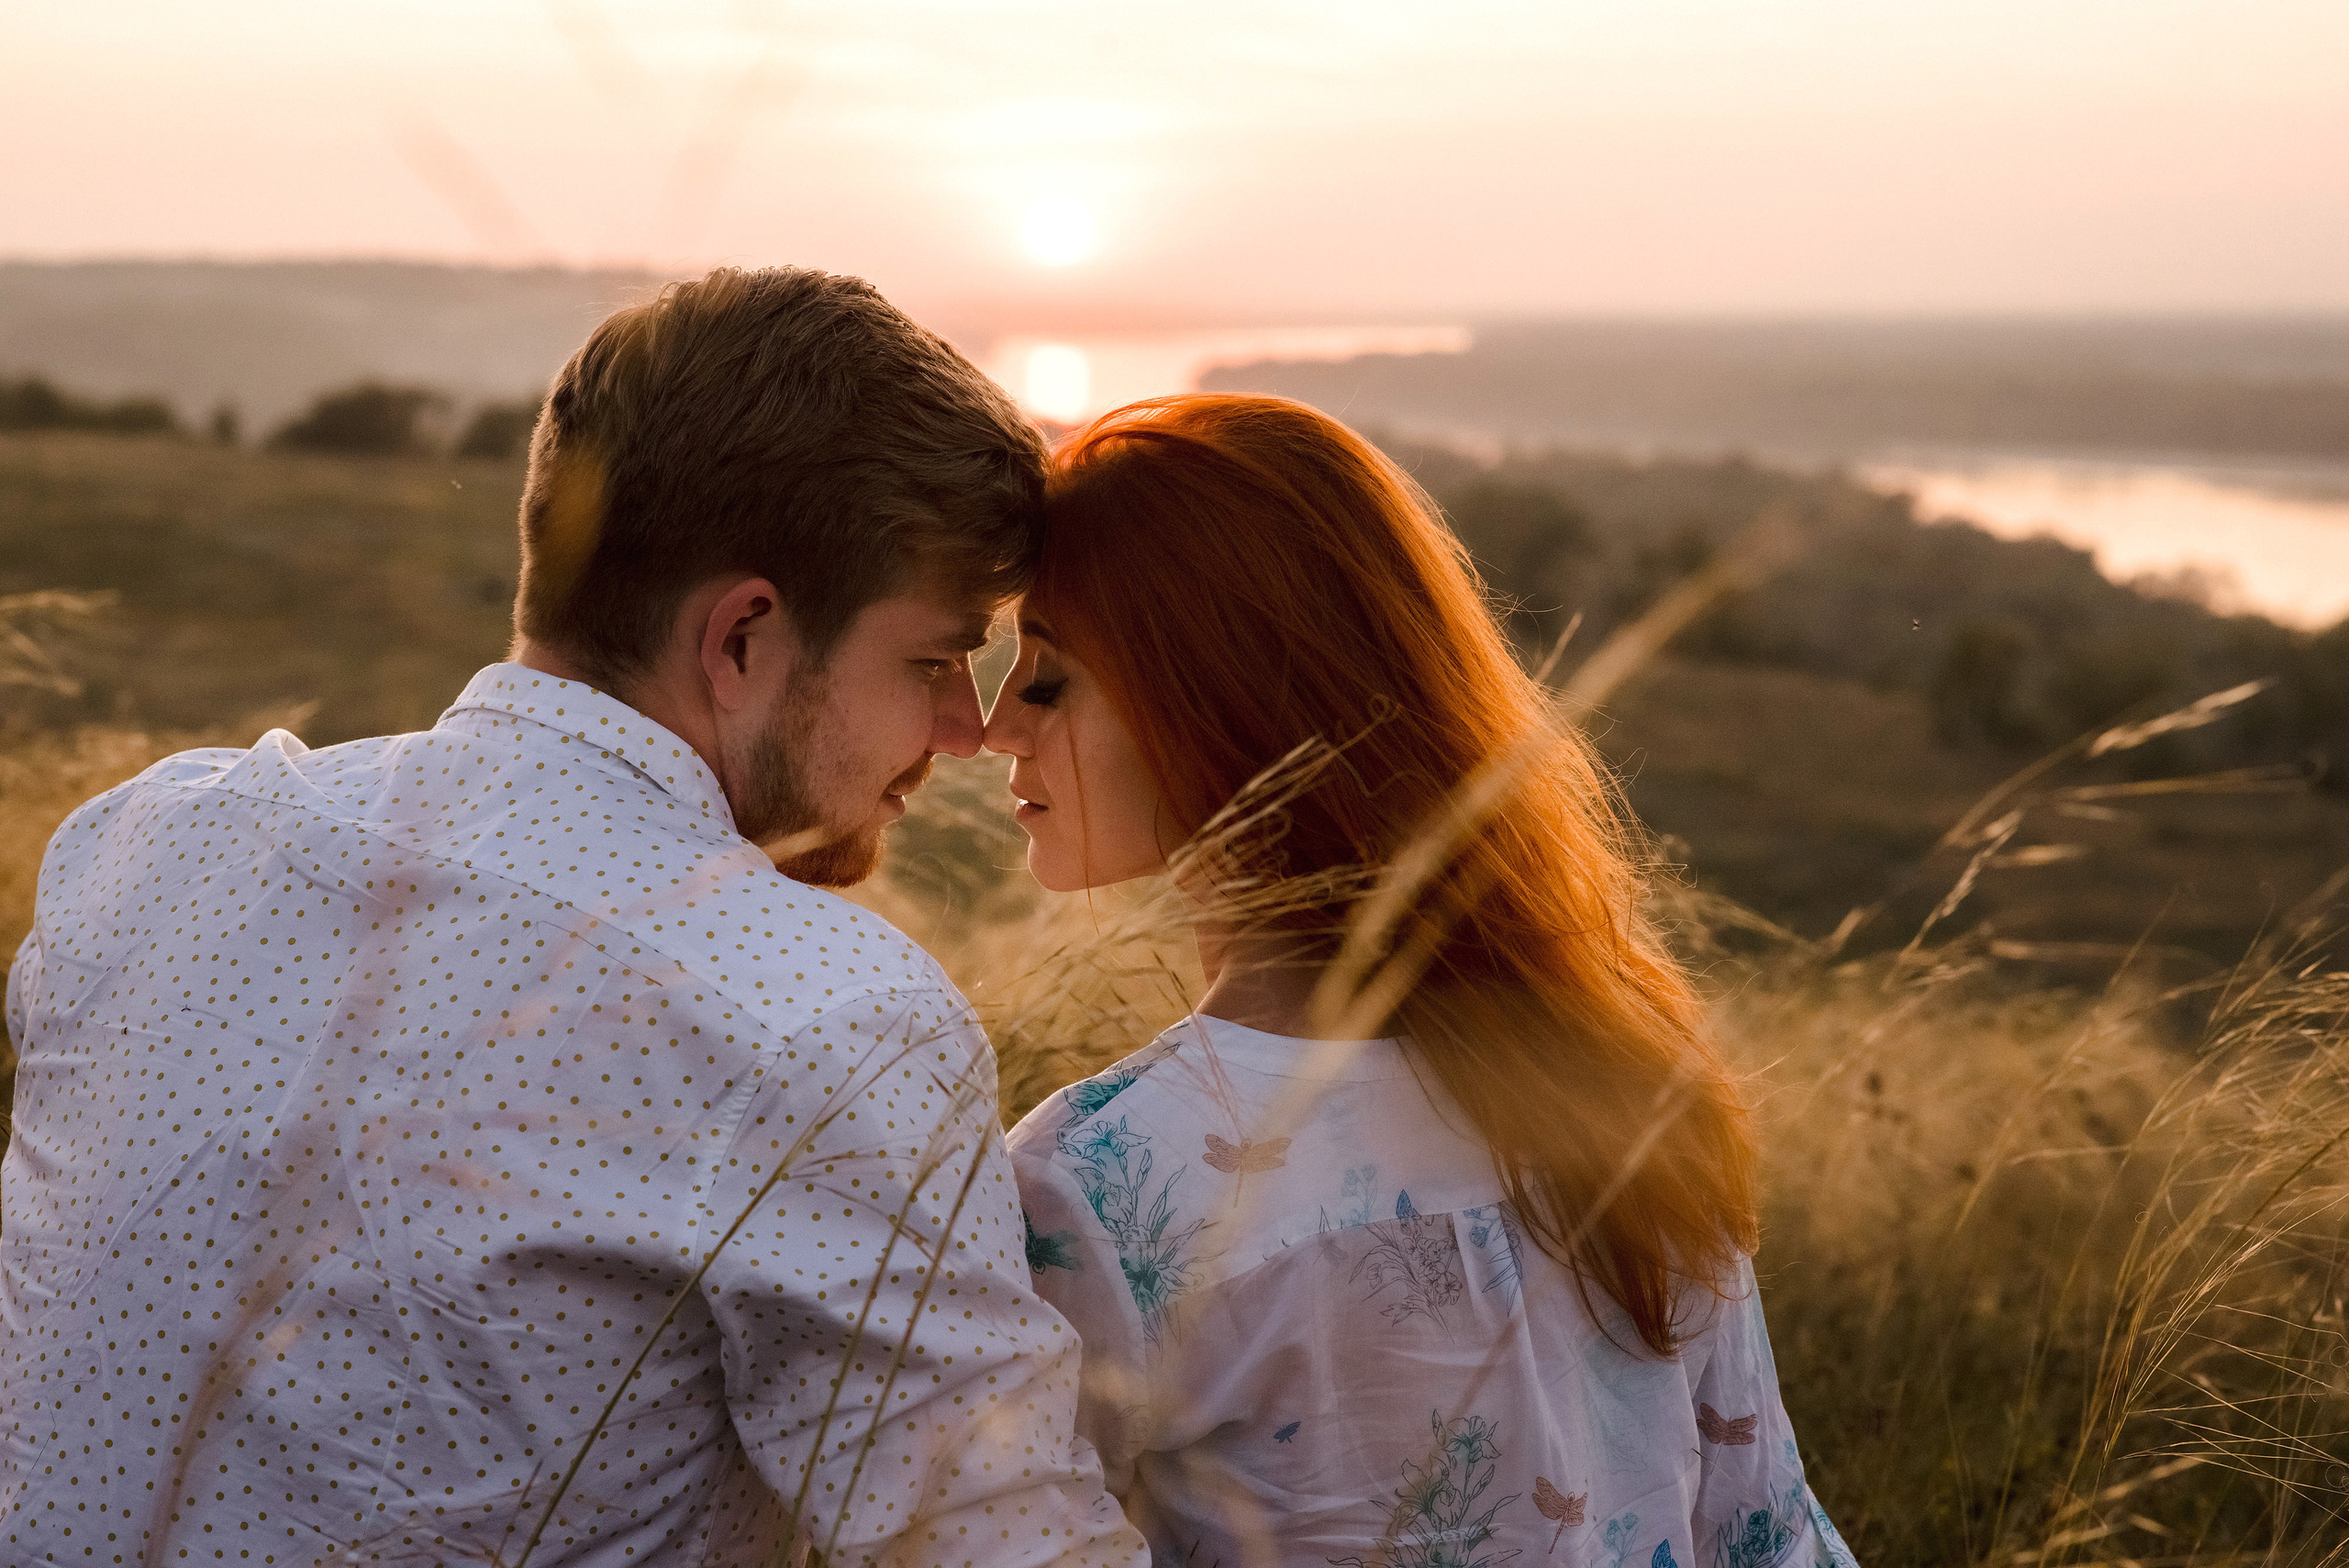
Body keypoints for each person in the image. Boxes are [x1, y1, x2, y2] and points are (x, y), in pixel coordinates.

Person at [0, 268, 1147, 1568]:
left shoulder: (143, 844)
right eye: (935, 660)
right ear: (744, 643)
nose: (962, 726)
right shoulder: (822, 1018)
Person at [984, 395, 1859, 1568]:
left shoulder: (1094, 1185)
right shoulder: (1627, 1070)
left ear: (1218, 698)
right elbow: (1769, 1536)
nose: (994, 725)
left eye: (1048, 675)